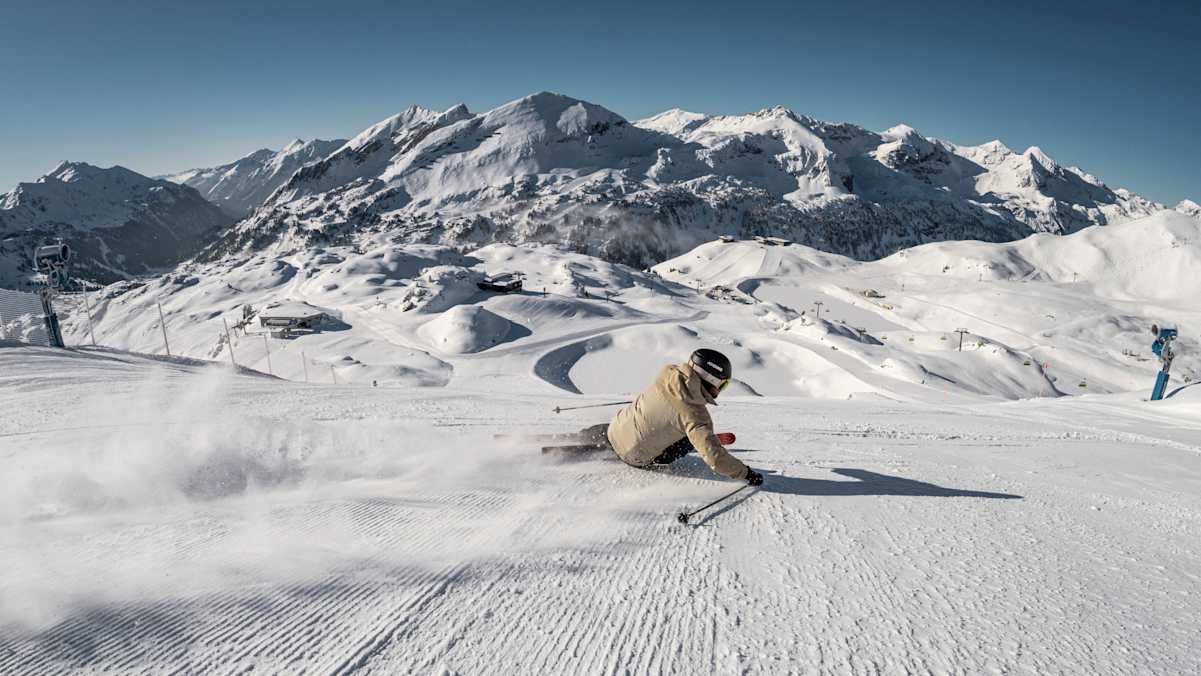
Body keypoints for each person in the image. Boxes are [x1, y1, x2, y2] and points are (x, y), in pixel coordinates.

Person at [576, 349, 763, 485]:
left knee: (633, 420)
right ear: (710, 380)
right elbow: (716, 461)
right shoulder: (696, 415)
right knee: (687, 435)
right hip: (635, 456)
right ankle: (695, 440)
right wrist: (746, 473)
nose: (720, 391)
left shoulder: (667, 374)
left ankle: (572, 440)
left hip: (614, 429)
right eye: (722, 385)